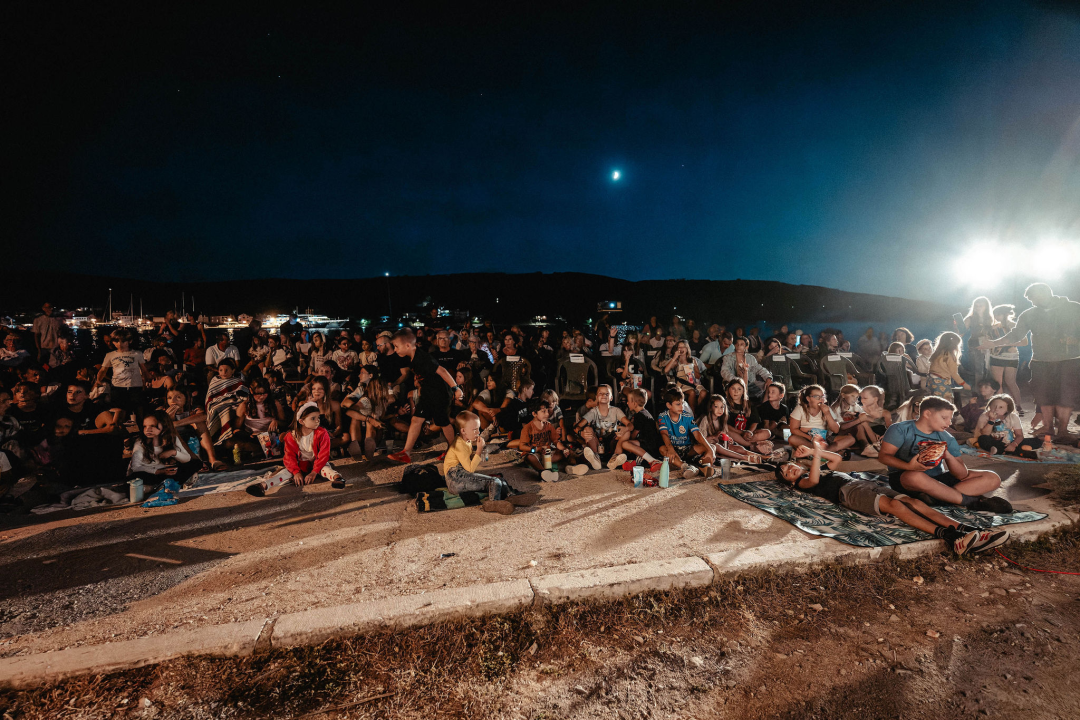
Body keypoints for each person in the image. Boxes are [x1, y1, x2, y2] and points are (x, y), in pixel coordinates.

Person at [777, 443, 1008, 555]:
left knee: (914, 502)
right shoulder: (803, 483)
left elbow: (836, 459)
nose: (791, 470)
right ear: (789, 481)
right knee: (894, 505)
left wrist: (814, 453)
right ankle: (949, 536)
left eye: (790, 466)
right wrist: (815, 454)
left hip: (864, 483)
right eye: (787, 473)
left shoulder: (818, 467)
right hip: (848, 493)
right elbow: (815, 481)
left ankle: (965, 530)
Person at [976, 284, 1080, 441]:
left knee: (1065, 395)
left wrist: (1077, 340)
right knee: (1043, 395)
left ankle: (1063, 430)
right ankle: (1048, 428)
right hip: (1041, 360)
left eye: (1034, 298)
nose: (1033, 302)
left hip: (1069, 360)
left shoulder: (1072, 308)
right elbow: (1016, 334)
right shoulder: (1029, 314)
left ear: (1045, 293)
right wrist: (994, 343)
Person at [878, 396, 1010, 512]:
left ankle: (937, 497)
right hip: (906, 479)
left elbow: (961, 474)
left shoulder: (946, 437)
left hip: (938, 479)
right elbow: (884, 456)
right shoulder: (900, 429)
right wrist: (909, 466)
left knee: (992, 477)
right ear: (927, 414)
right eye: (944, 418)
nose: (949, 423)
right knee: (914, 476)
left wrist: (947, 455)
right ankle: (972, 502)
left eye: (950, 418)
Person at [387, 329, 464, 465]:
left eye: (397, 346)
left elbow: (442, 370)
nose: (395, 349)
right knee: (416, 420)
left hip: (440, 393)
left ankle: (453, 451)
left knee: (443, 422)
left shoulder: (423, 358)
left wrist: (455, 388)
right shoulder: (411, 357)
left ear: (407, 346)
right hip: (428, 393)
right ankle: (406, 453)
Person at [444, 411, 537, 513]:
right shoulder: (459, 445)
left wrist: (489, 433)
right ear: (463, 431)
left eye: (478, 429)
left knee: (499, 479)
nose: (478, 432)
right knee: (494, 481)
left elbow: (478, 446)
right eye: (475, 430)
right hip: (455, 479)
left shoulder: (467, 440)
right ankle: (493, 503)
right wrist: (479, 451)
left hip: (460, 475)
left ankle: (512, 496)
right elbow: (470, 469)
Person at [127, 410, 203, 488]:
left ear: (164, 425)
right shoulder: (140, 442)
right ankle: (168, 485)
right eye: (145, 426)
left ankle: (167, 484)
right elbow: (136, 467)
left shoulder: (172, 438)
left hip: (167, 473)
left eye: (153, 426)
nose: (148, 430)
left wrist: (174, 453)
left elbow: (186, 458)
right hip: (150, 473)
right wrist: (158, 471)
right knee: (135, 477)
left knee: (196, 463)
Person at [519, 398, 587, 481]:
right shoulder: (528, 428)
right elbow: (522, 446)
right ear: (534, 413)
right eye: (543, 411)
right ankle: (543, 473)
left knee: (566, 451)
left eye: (547, 411)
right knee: (529, 457)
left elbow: (555, 441)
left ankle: (572, 468)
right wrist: (536, 449)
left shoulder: (548, 425)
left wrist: (564, 449)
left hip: (547, 455)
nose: (547, 414)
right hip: (535, 454)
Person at [657, 386, 716, 478]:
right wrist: (671, 449)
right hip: (673, 449)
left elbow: (697, 434)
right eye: (678, 404)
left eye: (682, 403)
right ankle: (686, 466)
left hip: (688, 449)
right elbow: (664, 434)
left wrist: (710, 450)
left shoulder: (687, 416)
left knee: (711, 446)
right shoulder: (662, 416)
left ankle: (704, 467)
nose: (681, 406)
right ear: (669, 405)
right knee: (662, 449)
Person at [281, 402, 343, 488]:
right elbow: (289, 457)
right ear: (301, 421)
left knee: (327, 469)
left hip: (318, 464)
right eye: (313, 418)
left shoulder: (322, 433)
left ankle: (338, 479)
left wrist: (314, 472)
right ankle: (264, 485)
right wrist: (296, 472)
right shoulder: (291, 436)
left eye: (318, 417)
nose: (317, 420)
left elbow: (323, 455)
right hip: (300, 466)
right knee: (285, 473)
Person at [164, 387, 226, 470]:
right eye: (170, 398)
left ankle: (212, 459)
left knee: (200, 423)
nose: (173, 401)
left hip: (192, 439)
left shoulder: (193, 409)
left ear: (186, 398)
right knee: (172, 430)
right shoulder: (163, 411)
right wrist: (169, 419)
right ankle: (195, 461)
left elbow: (203, 416)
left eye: (178, 397)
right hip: (174, 443)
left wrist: (176, 423)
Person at [94, 329, 147, 425]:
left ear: (129, 341)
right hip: (118, 387)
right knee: (120, 412)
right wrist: (98, 380)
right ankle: (121, 433)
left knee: (138, 411)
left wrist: (147, 380)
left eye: (123, 341)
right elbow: (103, 370)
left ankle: (140, 432)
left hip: (135, 386)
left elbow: (143, 369)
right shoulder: (110, 355)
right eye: (116, 341)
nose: (119, 344)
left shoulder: (137, 354)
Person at [788, 384, 855, 455]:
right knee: (792, 439)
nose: (821, 399)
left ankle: (817, 453)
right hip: (806, 438)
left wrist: (827, 413)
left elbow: (836, 430)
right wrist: (810, 438)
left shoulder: (827, 409)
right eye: (816, 397)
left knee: (851, 439)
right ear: (808, 398)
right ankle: (825, 453)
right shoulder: (800, 408)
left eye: (822, 396)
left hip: (824, 438)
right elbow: (793, 429)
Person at [985, 304, 1027, 415]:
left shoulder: (1014, 325)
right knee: (998, 384)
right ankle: (1002, 407)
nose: (996, 317)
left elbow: (1024, 342)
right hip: (996, 356)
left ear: (1006, 314)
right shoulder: (994, 327)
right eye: (994, 314)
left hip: (1011, 356)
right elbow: (989, 341)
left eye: (998, 314)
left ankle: (1017, 406)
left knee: (1010, 382)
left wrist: (1004, 345)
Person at [609, 388, 663, 470]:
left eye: (628, 401)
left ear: (634, 404)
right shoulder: (645, 413)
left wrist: (622, 438)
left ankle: (652, 460)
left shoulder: (639, 416)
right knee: (624, 442)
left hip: (649, 445)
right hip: (646, 443)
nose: (627, 403)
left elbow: (633, 435)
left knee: (625, 444)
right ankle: (625, 461)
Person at [574, 384, 625, 470]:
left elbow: (627, 426)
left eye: (606, 394)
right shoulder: (592, 412)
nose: (603, 397)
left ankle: (614, 459)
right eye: (600, 394)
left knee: (624, 433)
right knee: (587, 429)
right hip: (597, 444)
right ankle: (595, 458)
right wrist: (581, 432)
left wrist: (623, 430)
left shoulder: (615, 411)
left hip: (611, 443)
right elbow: (576, 427)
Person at [974, 394, 1039, 458]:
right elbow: (985, 434)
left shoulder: (1013, 417)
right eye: (994, 406)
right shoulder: (984, 416)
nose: (996, 409)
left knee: (1037, 441)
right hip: (994, 442)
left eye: (1001, 407)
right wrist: (991, 420)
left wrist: (1013, 444)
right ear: (990, 406)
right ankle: (1016, 451)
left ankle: (1003, 450)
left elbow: (1019, 435)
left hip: (1009, 441)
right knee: (982, 439)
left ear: (1008, 409)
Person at [204, 358, 249, 448]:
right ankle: (218, 439)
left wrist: (232, 398)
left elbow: (245, 394)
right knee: (216, 409)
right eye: (221, 370)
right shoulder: (215, 381)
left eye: (226, 370)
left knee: (227, 410)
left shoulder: (238, 381)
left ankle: (230, 434)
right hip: (216, 404)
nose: (223, 372)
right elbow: (210, 398)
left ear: (233, 371)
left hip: (233, 404)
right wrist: (222, 400)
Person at [719, 336, 772, 400]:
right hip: (733, 383)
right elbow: (724, 372)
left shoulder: (750, 358)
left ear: (746, 347)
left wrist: (768, 377)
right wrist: (737, 380)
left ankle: (763, 406)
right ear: (735, 345)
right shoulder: (728, 358)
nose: (738, 346)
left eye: (741, 344)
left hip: (750, 383)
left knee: (769, 386)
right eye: (737, 344)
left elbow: (760, 369)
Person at [959, 296, 995, 384]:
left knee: (989, 369)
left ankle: (987, 391)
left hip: (989, 345)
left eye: (981, 306)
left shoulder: (990, 318)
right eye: (976, 306)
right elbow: (961, 333)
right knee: (978, 370)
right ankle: (977, 392)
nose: (978, 308)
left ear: (986, 306)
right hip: (975, 345)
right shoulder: (970, 318)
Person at [926, 331, 970, 399]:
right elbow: (954, 373)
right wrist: (963, 384)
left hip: (932, 381)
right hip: (942, 382)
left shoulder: (937, 354)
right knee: (945, 403)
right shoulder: (950, 356)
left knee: (935, 402)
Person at [32, 302, 66, 366]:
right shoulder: (38, 320)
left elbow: (63, 334)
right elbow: (36, 336)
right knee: (44, 366)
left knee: (56, 365)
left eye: (51, 307)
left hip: (56, 348)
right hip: (43, 348)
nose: (50, 309)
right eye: (47, 307)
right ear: (43, 308)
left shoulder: (59, 320)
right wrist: (39, 350)